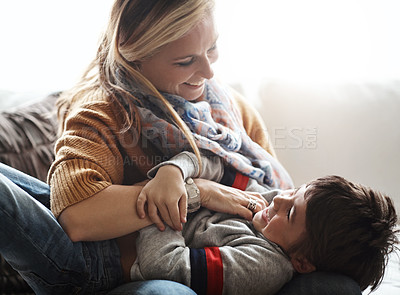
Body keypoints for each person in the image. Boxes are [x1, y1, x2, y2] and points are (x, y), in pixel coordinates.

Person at [0, 0, 369, 294]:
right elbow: (76, 218)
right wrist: (193, 187)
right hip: (105, 264)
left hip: (175, 262)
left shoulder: (231, 111)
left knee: (334, 285)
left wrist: (185, 193)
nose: (209, 72)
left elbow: (265, 197)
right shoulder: (104, 116)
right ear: (135, 53)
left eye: (213, 48)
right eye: (186, 60)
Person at [128, 152, 399, 294]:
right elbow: (214, 164)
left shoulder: (263, 265)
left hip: (110, 252)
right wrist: (173, 172)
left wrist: (177, 199)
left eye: (291, 214)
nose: (280, 198)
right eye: (296, 191)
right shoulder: (267, 201)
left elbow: (164, 266)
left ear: (302, 262)